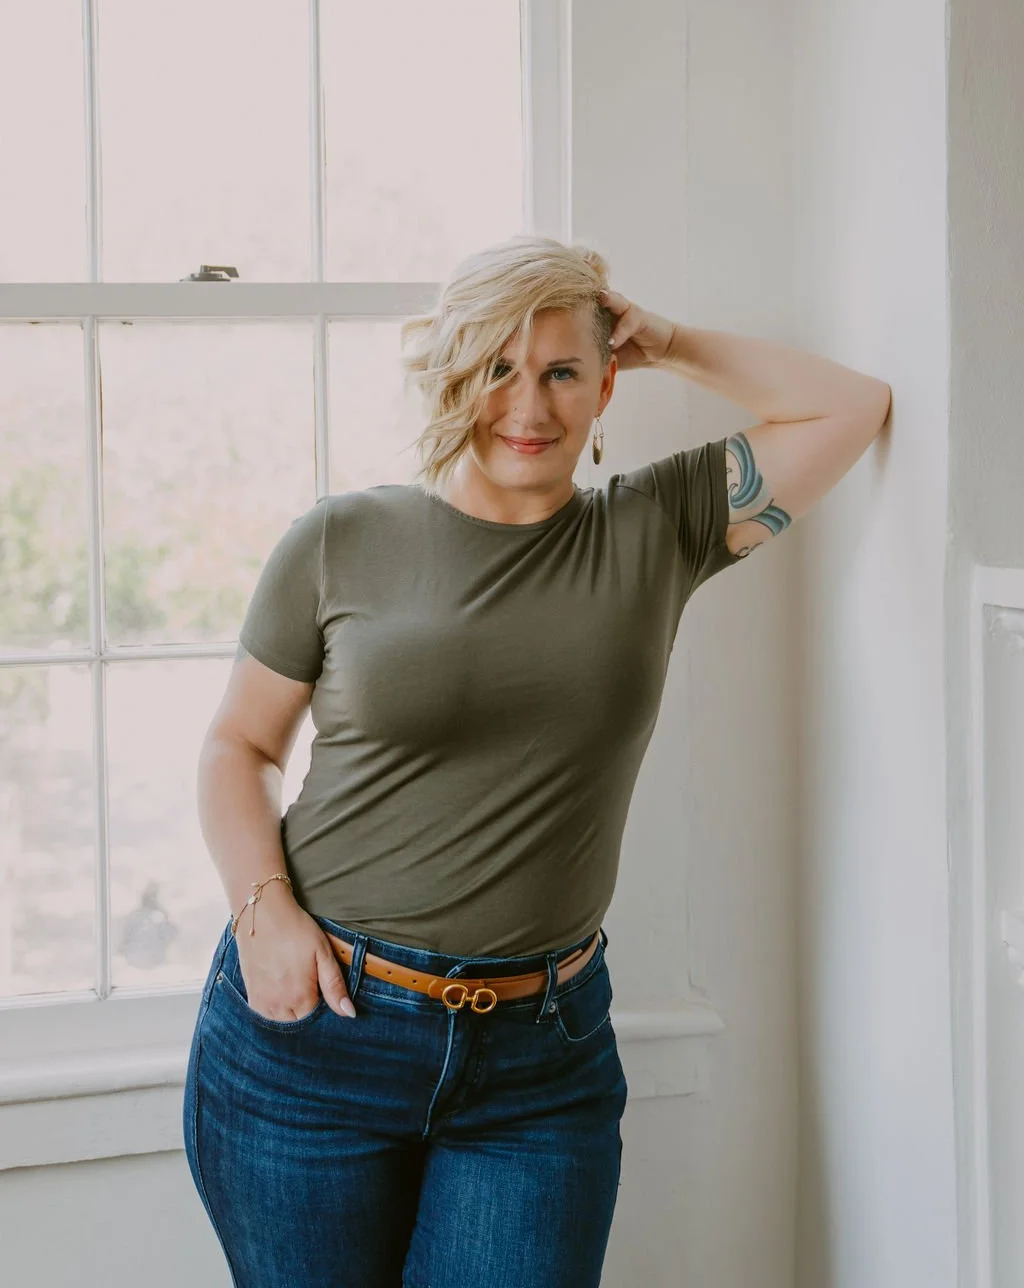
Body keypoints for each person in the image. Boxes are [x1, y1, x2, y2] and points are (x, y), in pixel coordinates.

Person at [181, 235, 891, 1286]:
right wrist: (263, 912)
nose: (529, 406)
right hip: (315, 1036)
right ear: (451, 377)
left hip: (535, 1067)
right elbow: (237, 747)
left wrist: (670, 340)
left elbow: (853, 407)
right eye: (495, 369)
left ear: (606, 382)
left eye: (562, 370)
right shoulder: (339, 541)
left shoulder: (656, 529)